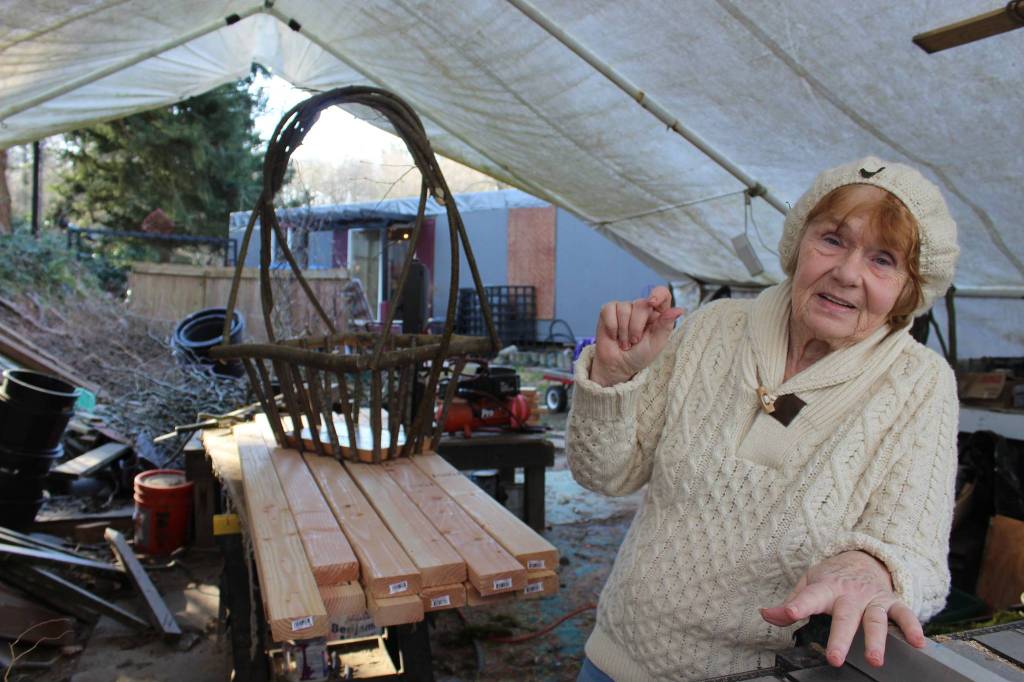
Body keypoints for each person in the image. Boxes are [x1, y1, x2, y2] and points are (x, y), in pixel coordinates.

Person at [567, 157, 960, 681]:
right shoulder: (714, 327)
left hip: (761, 674)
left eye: (883, 259)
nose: (846, 272)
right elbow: (605, 475)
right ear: (798, 244)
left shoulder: (919, 383)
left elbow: (918, 553)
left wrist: (870, 567)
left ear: (910, 290)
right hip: (620, 656)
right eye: (833, 240)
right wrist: (613, 379)